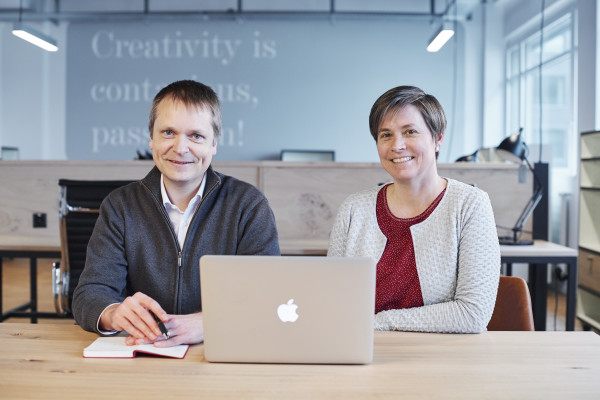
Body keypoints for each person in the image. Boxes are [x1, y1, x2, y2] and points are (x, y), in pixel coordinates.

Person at [72, 80, 280, 347]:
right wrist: (113, 313)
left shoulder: (248, 206)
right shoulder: (120, 206)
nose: (180, 148)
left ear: (214, 144)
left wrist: (210, 321)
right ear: (152, 139)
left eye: (196, 136)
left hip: (221, 351)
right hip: (144, 352)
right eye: (168, 132)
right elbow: (90, 294)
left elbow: (268, 295)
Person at [327, 85, 500, 333]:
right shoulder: (354, 209)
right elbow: (332, 300)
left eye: (410, 132)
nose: (397, 145)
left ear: (438, 139)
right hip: (364, 348)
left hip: (443, 352)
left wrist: (380, 322)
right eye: (386, 135)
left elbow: (473, 314)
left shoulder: (470, 205)